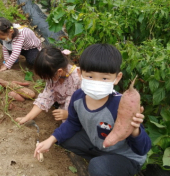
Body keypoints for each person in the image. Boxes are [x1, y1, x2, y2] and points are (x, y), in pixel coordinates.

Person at [34, 44, 151, 176]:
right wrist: (50, 140)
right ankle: (102, 160)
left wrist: (135, 131)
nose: (96, 82)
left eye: (105, 78)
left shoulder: (120, 105)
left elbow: (142, 150)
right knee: (62, 138)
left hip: (125, 156)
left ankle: (106, 165)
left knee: (97, 167)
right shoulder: (78, 97)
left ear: (117, 78)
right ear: (80, 73)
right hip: (100, 145)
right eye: (90, 76)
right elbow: (72, 123)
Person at [16, 47, 81, 124]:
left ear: (59, 71)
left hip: (79, 113)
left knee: (69, 100)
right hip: (64, 108)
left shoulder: (79, 78)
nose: (47, 80)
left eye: (48, 77)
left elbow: (89, 106)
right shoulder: (54, 78)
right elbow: (45, 98)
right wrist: (27, 118)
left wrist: (69, 114)